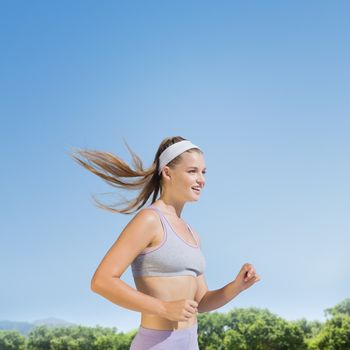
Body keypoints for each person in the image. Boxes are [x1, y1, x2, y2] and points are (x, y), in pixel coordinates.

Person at [70, 136, 261, 349]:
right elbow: (102, 281)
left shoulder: (192, 233)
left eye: (203, 172)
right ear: (168, 172)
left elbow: (201, 302)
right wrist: (163, 308)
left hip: (190, 342)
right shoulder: (150, 220)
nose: (201, 179)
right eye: (192, 171)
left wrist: (236, 287)